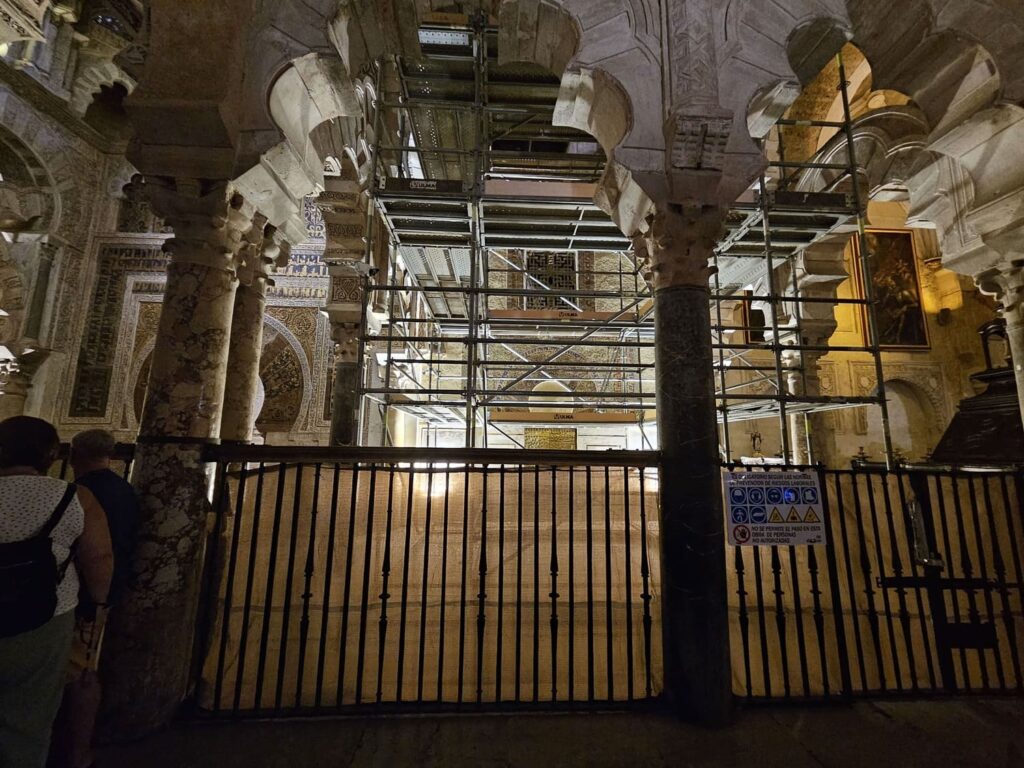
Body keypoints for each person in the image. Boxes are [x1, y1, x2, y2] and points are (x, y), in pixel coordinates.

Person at [0, 416, 112, 768]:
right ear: (52, 454)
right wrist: (99, 604)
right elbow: (100, 558)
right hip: (43, 619)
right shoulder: (72, 496)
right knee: (29, 717)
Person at [49, 429, 140, 768]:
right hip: (102, 595)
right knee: (84, 671)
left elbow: (96, 555)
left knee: (73, 675)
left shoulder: (77, 493)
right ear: (113, 455)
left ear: (72, 455)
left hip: (70, 597)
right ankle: (77, 750)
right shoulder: (126, 491)